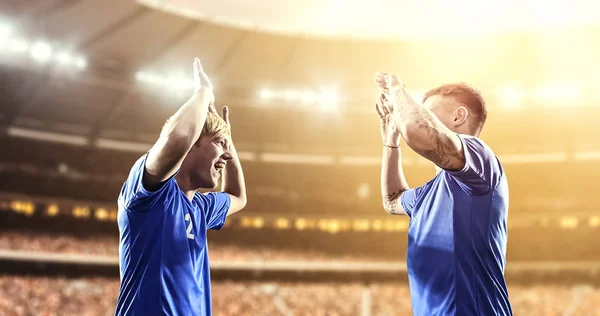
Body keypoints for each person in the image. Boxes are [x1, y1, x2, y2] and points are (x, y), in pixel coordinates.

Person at [115, 58, 247, 316]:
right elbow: (179, 137)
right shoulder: (149, 195)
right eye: (219, 144)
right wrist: (203, 93)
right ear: (193, 144)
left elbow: (238, 196)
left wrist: (228, 141)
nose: (228, 156)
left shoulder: (200, 207)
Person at [374, 73, 511, 316]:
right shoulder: (428, 192)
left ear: (459, 116)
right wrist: (390, 144)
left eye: (427, 112)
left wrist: (397, 87)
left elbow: (417, 130)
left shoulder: (480, 157)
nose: (412, 114)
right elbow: (392, 200)